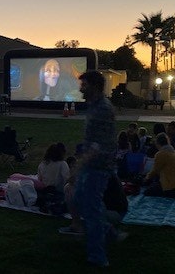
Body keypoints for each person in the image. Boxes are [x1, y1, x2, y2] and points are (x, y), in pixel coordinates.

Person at [69, 70, 121, 268]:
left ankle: (98, 258)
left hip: (98, 166)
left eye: (84, 85)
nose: (81, 89)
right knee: (79, 199)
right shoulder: (94, 106)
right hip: (92, 164)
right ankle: (109, 232)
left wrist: (79, 165)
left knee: (91, 210)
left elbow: (100, 144)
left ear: (95, 86)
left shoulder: (102, 110)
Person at [142, 132, 175, 198]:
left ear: (158, 143)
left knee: (147, 192)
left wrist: (146, 178)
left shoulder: (161, 154)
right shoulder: (174, 152)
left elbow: (155, 170)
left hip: (174, 186)